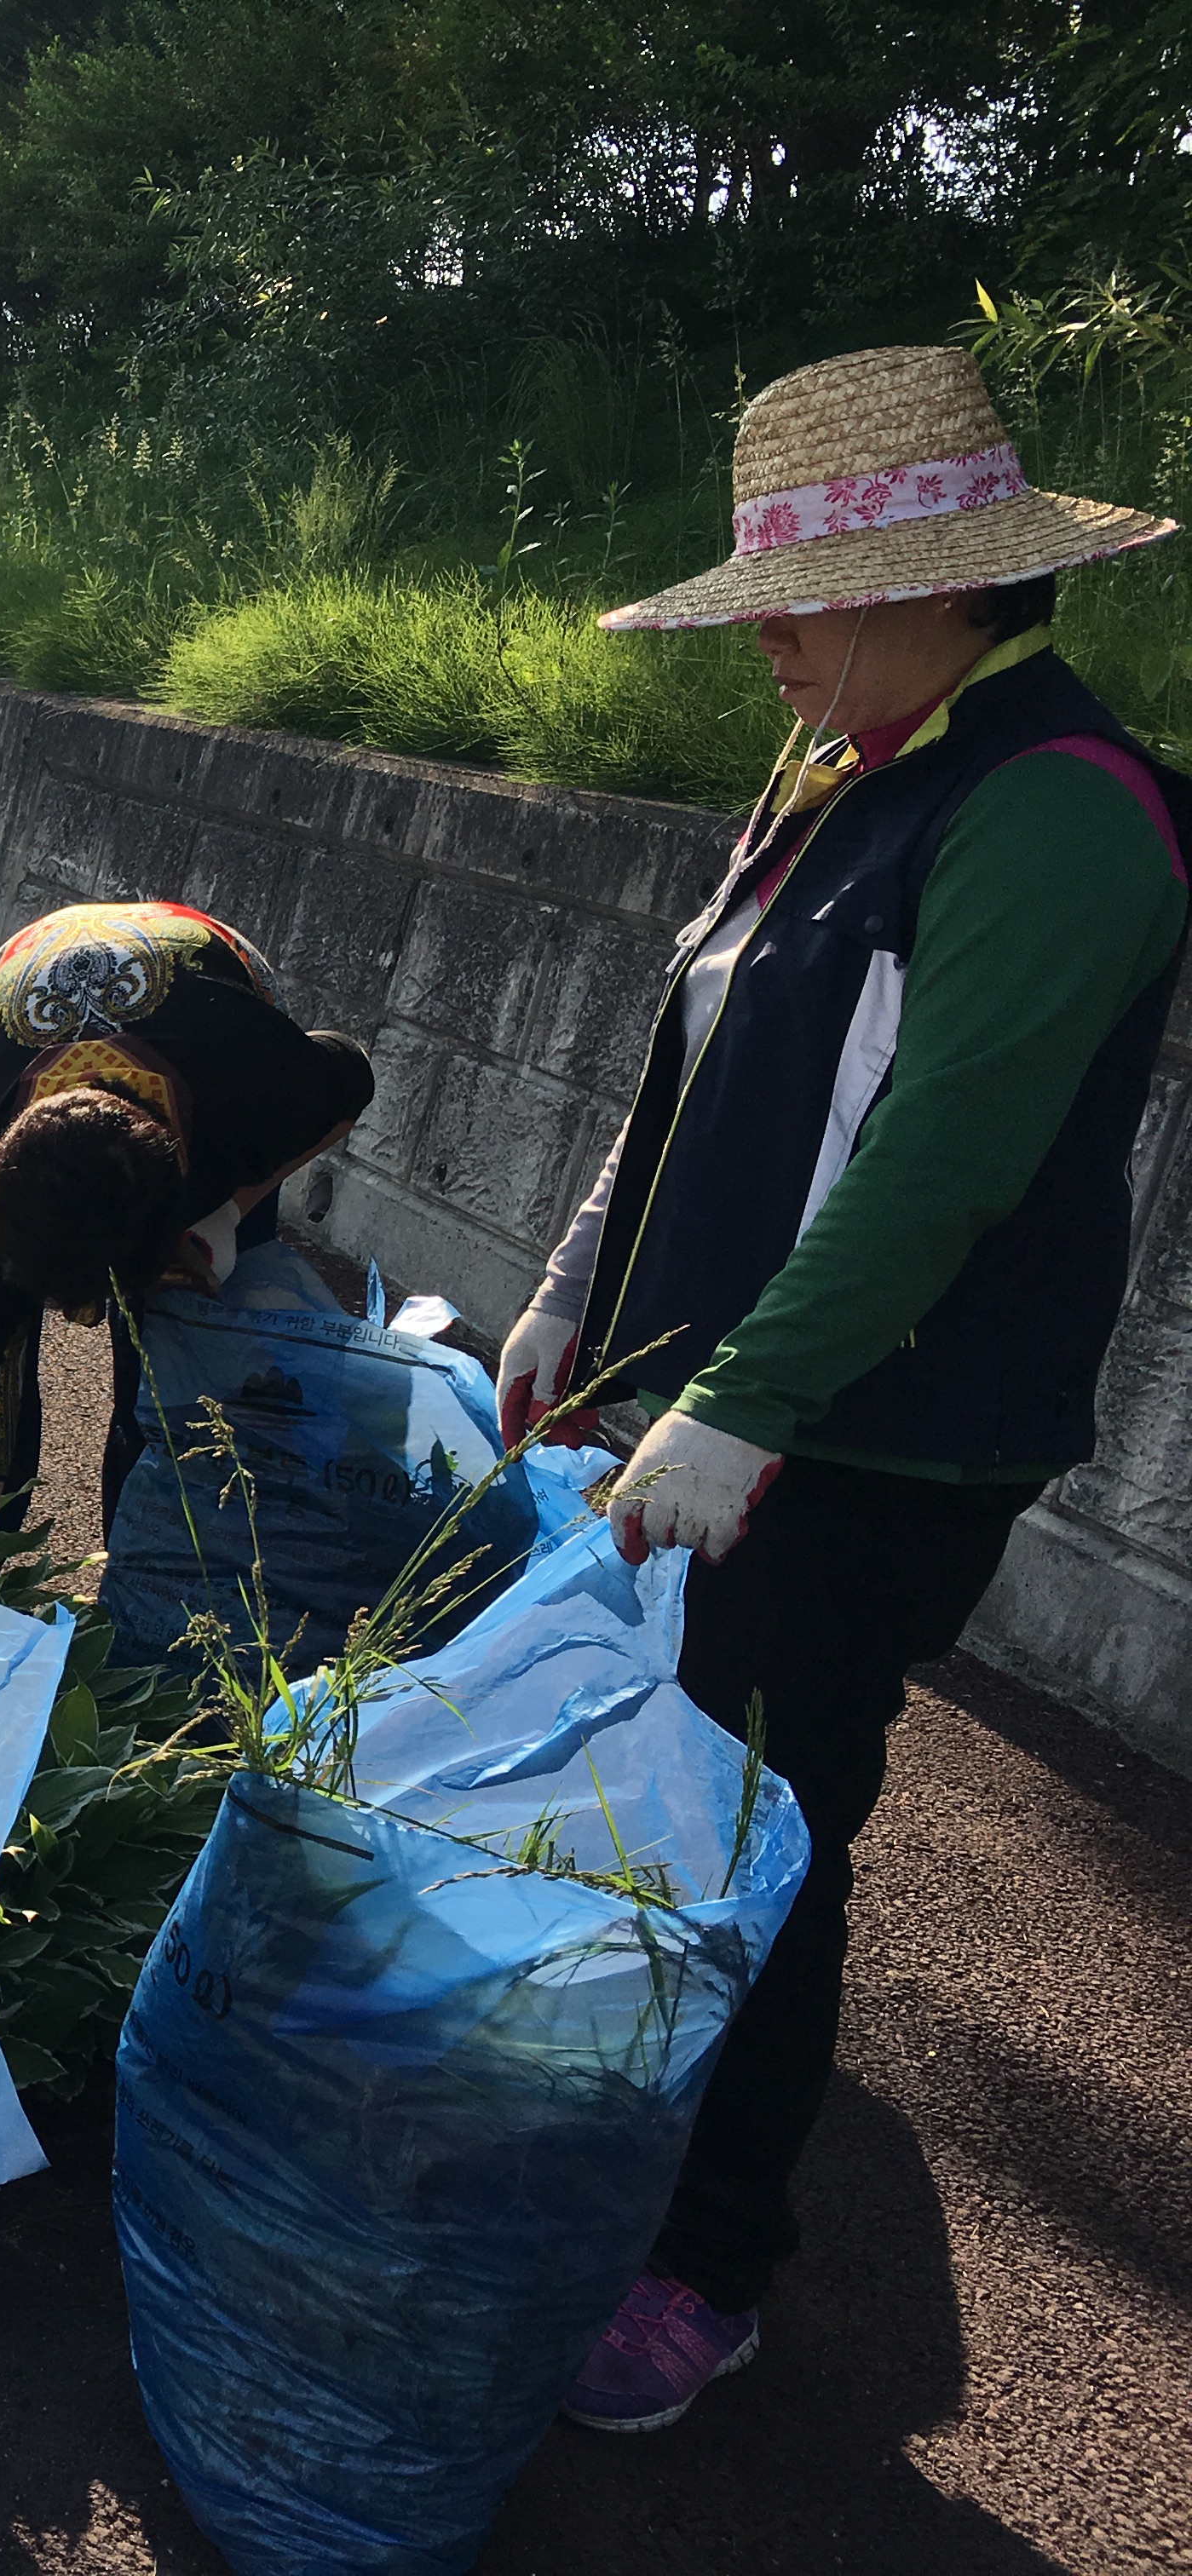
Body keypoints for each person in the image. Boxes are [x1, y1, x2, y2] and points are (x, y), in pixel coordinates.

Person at [501, 344, 1183, 2434]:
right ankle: (623, 2135)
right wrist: (574, 1290)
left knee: (755, 1827)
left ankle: (708, 2264)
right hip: (712, 1396)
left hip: (868, 1438)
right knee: (656, 1787)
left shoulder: (1061, 808)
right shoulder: (839, 772)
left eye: (805, 600)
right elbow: (700, 1064)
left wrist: (748, 1407)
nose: (769, 640)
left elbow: (944, 1156)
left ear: (955, 579)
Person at [0, 900, 375, 1555]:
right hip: (7, 1032)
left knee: (179, 1386)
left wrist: (228, 1212)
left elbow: (349, 1074)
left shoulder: (254, 1084)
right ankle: (0, 1567)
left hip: (207, 1023)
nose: (80, 1320)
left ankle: (148, 1571)